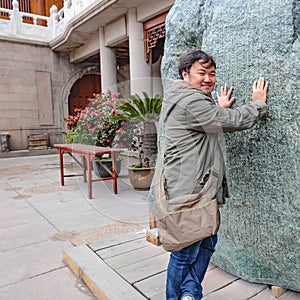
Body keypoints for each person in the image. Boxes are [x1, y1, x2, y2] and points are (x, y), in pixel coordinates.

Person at [160, 50, 269, 300]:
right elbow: (230, 121)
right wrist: (257, 104)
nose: (208, 78)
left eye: (212, 73)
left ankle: (189, 293)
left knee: (207, 241)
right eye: (202, 72)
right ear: (185, 74)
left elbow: (206, 125)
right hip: (189, 189)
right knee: (186, 250)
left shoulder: (190, 97)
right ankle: (177, 296)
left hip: (199, 185)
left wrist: (216, 108)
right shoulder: (190, 100)